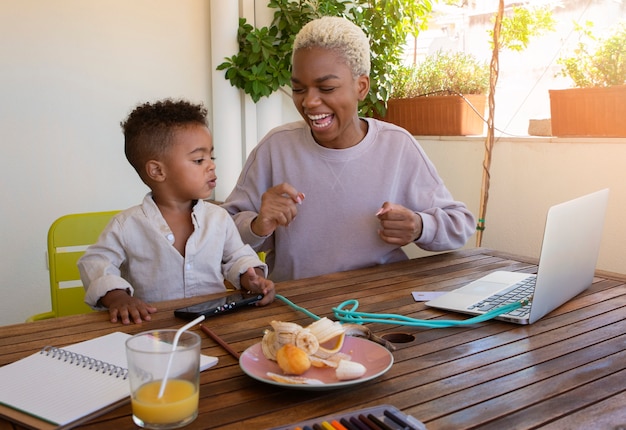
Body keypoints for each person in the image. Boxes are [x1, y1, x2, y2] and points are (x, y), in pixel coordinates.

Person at [221, 16, 476, 282]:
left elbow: (460, 224)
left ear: (361, 87)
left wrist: (420, 226)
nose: (309, 101)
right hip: (298, 309)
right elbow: (222, 232)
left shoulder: (397, 146)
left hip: (380, 307)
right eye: (298, 88)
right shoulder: (276, 148)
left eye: (327, 88)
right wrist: (257, 225)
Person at [78, 99, 275, 325]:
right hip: (154, 330)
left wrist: (252, 277)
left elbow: (237, 257)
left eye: (212, 157)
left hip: (216, 323)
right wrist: (118, 298)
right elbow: (96, 262)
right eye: (199, 159)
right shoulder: (127, 225)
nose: (211, 165)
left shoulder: (218, 218)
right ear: (157, 171)